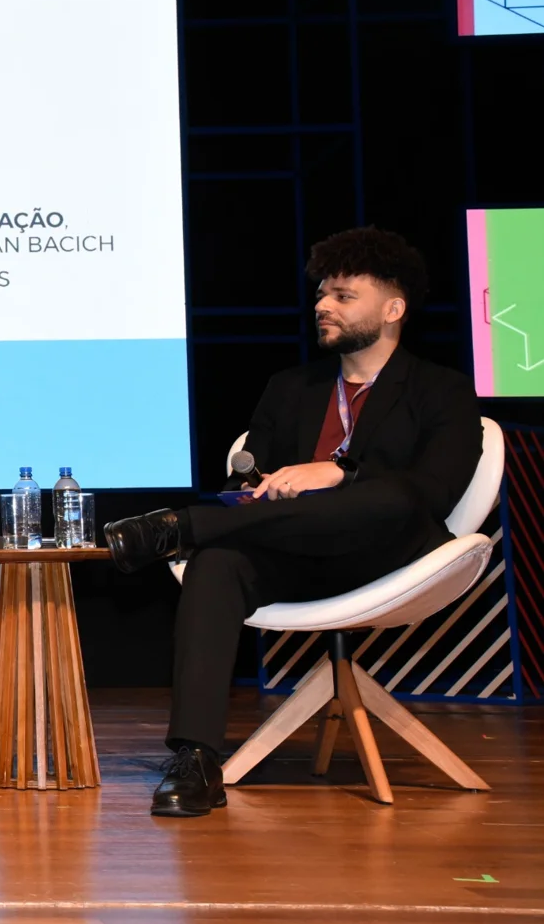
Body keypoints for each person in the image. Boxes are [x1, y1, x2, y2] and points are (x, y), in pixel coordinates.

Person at [103, 227, 482, 818]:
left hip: (386, 554)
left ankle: (179, 525)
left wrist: (340, 474)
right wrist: (256, 492)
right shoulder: (291, 389)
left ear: (393, 308)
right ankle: (197, 760)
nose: (322, 306)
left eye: (343, 296)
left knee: (388, 497)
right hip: (291, 553)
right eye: (321, 295)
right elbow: (245, 486)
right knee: (219, 561)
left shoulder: (443, 392)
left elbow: (434, 492)